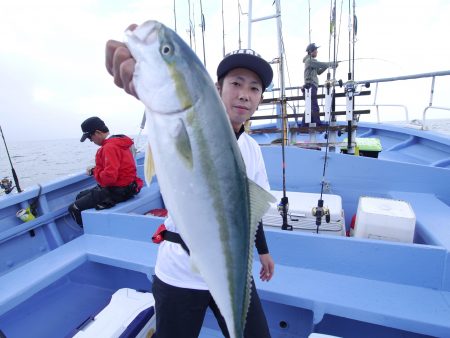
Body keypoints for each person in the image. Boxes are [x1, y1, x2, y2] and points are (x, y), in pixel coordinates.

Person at [106, 33, 275, 338]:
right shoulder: (183, 124)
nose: (245, 94)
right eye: (236, 83)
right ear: (216, 88)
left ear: (260, 98)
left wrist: (263, 251)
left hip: (233, 271)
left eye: (254, 88)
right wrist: (146, 86)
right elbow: (169, 114)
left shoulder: (253, 150)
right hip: (179, 272)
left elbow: (252, 211)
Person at [68, 116, 143, 226]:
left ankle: (93, 233)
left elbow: (109, 178)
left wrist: (94, 172)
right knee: (80, 196)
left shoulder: (109, 148)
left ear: (97, 132)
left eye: (90, 137)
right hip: (129, 187)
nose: (91, 141)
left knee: (73, 208)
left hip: (118, 191)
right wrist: (96, 169)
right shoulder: (119, 142)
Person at [302, 42, 338, 125]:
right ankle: (318, 123)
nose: (317, 52)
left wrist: (328, 66)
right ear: (311, 52)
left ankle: (304, 125)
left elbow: (319, 72)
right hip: (310, 86)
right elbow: (321, 64)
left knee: (309, 106)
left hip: (310, 86)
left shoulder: (311, 61)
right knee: (314, 106)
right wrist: (332, 64)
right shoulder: (310, 60)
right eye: (316, 50)